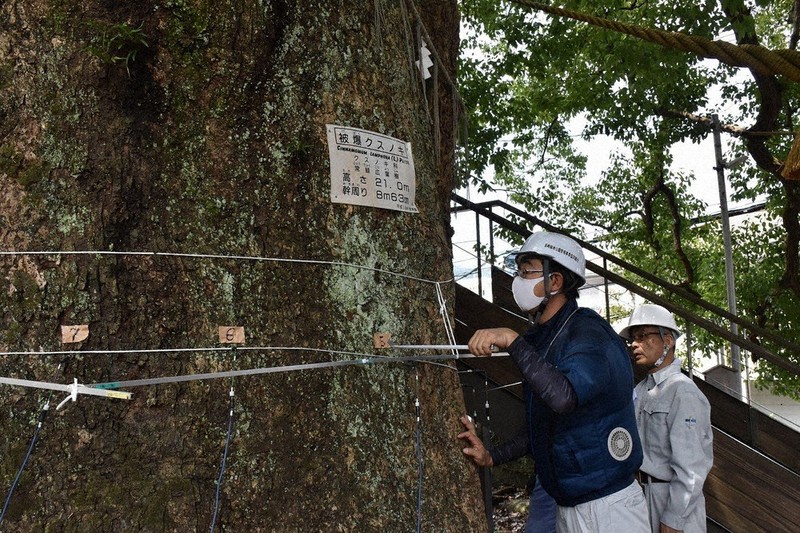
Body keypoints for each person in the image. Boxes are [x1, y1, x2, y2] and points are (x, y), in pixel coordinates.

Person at [459, 231, 649, 532]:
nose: (518, 280)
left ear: (555, 281)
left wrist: (512, 341)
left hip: (609, 506)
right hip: (567, 504)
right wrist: (491, 456)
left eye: (526, 272)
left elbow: (563, 398)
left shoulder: (587, 333)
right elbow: (542, 424)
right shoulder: (541, 338)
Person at [619, 304, 713, 533]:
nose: (633, 344)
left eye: (642, 336)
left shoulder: (683, 392)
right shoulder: (641, 391)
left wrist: (673, 519)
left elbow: (692, 468)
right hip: (640, 497)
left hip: (671, 501)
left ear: (668, 340)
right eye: (632, 338)